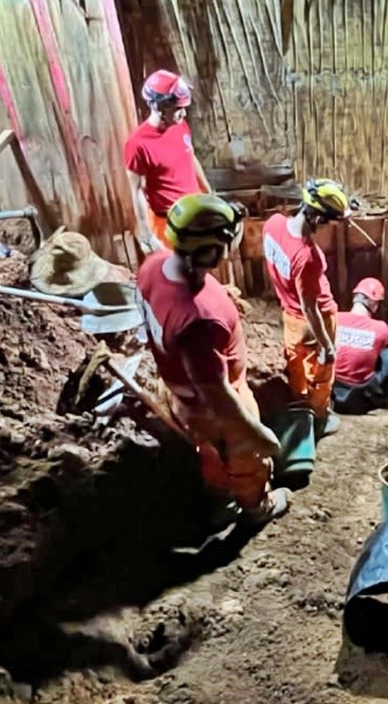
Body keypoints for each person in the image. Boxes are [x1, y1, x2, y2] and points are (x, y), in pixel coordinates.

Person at [136, 194, 291, 525]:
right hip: (215, 405)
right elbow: (218, 396)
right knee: (246, 460)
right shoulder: (200, 319)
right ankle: (254, 506)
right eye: (226, 240)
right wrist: (259, 435)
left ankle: (220, 501)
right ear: (210, 250)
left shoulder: (152, 267)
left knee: (209, 452)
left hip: (179, 392)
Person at [262, 178, 353, 435]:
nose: (328, 227)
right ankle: (319, 419)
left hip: (289, 314)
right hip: (315, 318)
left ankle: (299, 406)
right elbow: (310, 307)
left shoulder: (274, 224)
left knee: (296, 363)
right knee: (322, 373)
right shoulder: (306, 256)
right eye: (328, 221)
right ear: (317, 217)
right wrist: (327, 345)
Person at [124, 70, 213, 254]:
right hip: (168, 222)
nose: (184, 113)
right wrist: (147, 235)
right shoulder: (137, 144)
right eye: (178, 108)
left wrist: (209, 192)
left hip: (195, 214)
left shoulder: (180, 126)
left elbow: (189, 156)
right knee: (178, 278)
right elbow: (137, 191)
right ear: (160, 108)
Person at [332, 277, 388, 414]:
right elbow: (379, 353)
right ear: (373, 303)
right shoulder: (381, 328)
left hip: (334, 387)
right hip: (362, 391)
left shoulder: (334, 318)